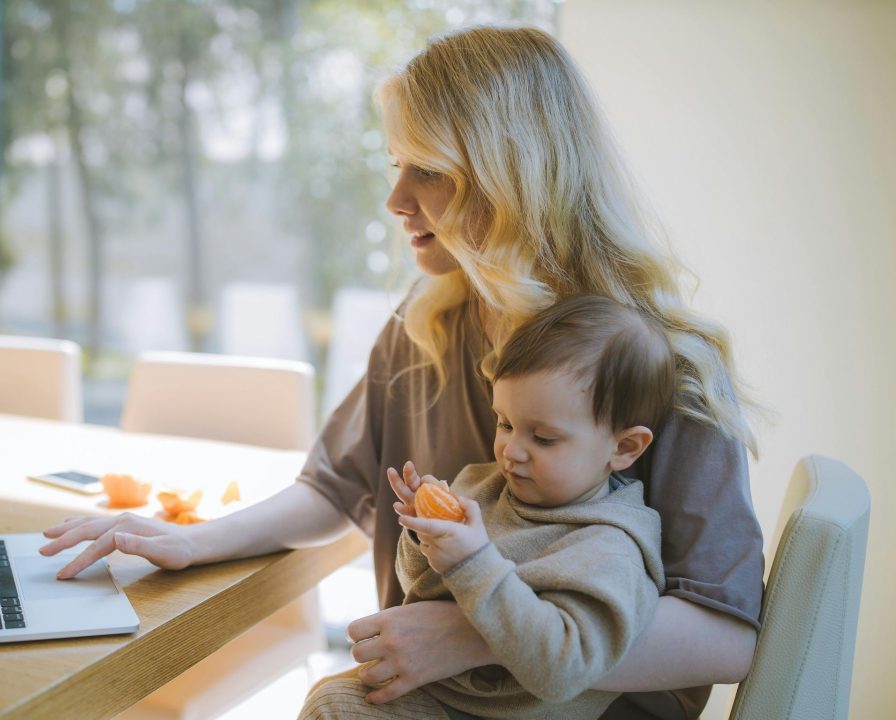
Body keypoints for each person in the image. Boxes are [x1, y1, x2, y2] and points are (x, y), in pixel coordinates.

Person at [39, 24, 763, 720]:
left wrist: (475, 636)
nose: (395, 202)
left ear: (514, 179)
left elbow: (727, 634)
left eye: (431, 172)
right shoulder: (429, 320)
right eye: (396, 166)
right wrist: (195, 540)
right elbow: (335, 488)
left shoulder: (663, 362)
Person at [300, 294, 674, 720]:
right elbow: (420, 591)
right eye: (506, 423)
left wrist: (474, 561)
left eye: (544, 438)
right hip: (441, 695)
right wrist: (425, 537)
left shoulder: (610, 547)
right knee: (332, 699)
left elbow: (563, 670)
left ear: (624, 447)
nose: (512, 451)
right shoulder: (483, 486)